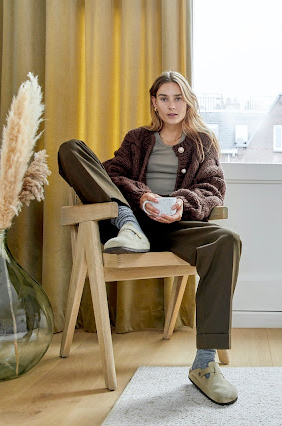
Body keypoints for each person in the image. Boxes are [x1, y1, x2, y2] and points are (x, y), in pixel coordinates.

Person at [58, 71, 241, 405]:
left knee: (227, 240)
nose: (171, 105)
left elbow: (213, 189)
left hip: (175, 226)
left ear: (188, 102)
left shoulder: (203, 143)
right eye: (164, 98)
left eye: (178, 98)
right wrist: (141, 198)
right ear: (154, 103)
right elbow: (112, 175)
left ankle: (205, 363)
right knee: (71, 149)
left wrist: (180, 203)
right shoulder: (137, 139)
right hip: (129, 227)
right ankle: (129, 223)